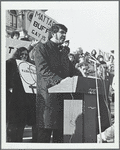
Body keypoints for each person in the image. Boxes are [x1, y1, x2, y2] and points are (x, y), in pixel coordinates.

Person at [34, 23, 81, 143]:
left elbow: (72, 70)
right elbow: (43, 70)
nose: (64, 36)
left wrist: (83, 78)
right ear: (53, 33)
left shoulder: (63, 52)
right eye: (62, 33)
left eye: (65, 33)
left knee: (60, 136)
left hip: (63, 100)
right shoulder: (42, 48)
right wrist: (60, 81)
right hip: (48, 97)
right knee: (44, 134)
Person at [6, 47, 36, 142]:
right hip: (13, 100)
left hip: (24, 100)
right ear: (18, 54)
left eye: (26, 55)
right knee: (13, 126)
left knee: (21, 126)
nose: (24, 56)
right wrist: (10, 87)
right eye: (22, 54)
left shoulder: (29, 66)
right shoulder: (10, 63)